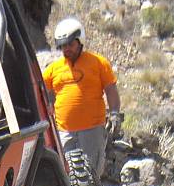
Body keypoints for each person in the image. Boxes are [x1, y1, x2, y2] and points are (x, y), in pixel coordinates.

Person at [42, 17, 122, 176]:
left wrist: (114, 114)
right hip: (64, 131)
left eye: (70, 44)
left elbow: (111, 90)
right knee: (66, 175)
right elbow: (43, 93)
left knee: (91, 174)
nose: (67, 49)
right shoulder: (53, 69)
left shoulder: (98, 63)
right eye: (63, 46)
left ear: (80, 41)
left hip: (92, 130)